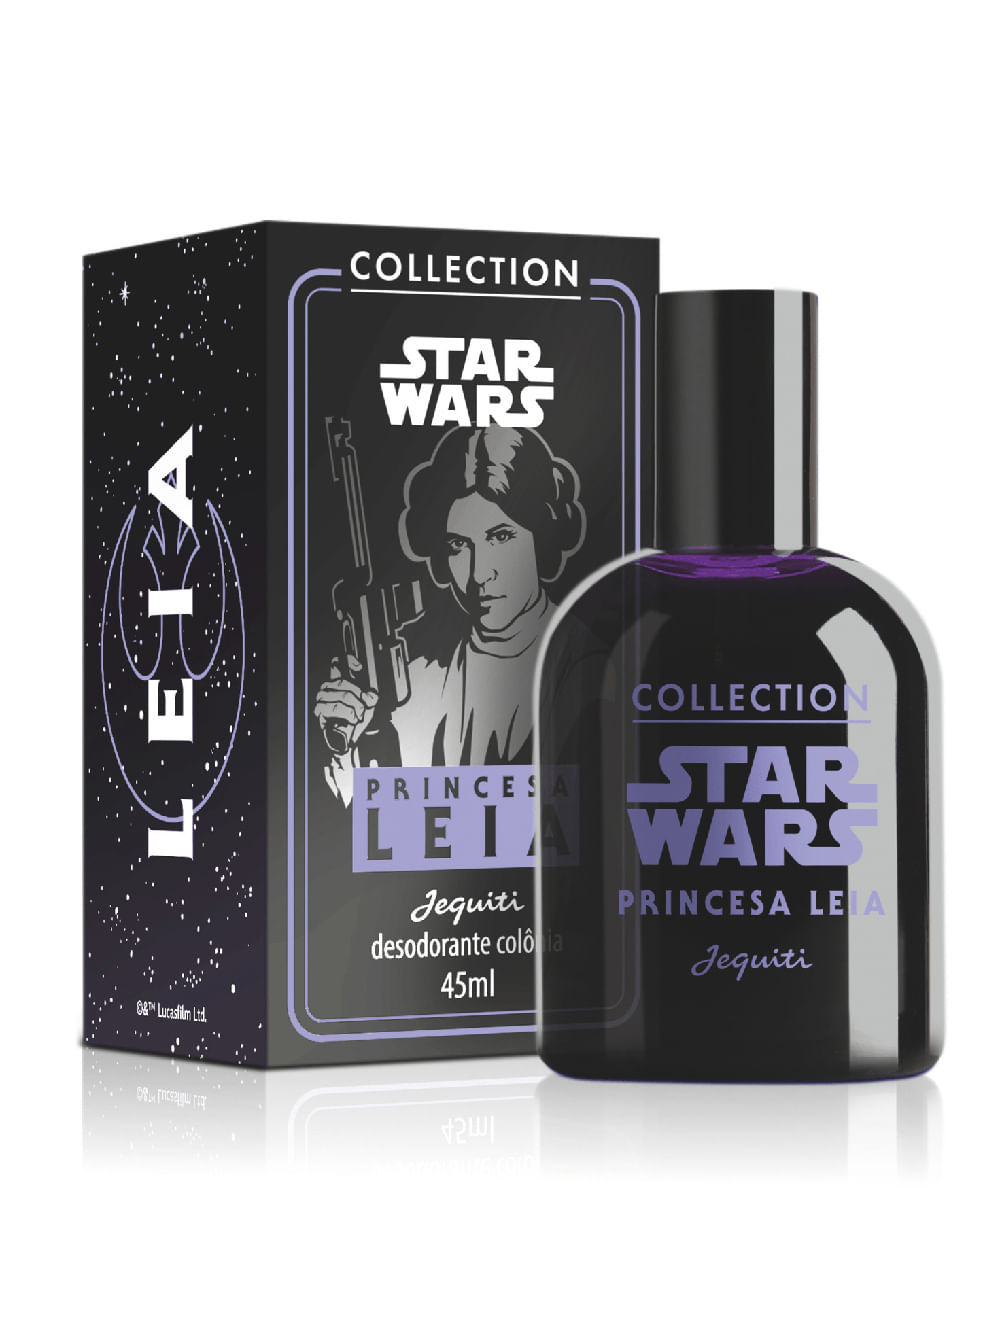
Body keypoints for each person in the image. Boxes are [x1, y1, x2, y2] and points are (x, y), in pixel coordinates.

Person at [314, 423, 586, 804]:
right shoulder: (419, 685)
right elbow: (379, 825)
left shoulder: (592, 663)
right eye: (459, 545)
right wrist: (348, 751)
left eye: (501, 536)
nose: (479, 574)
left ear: (542, 537)